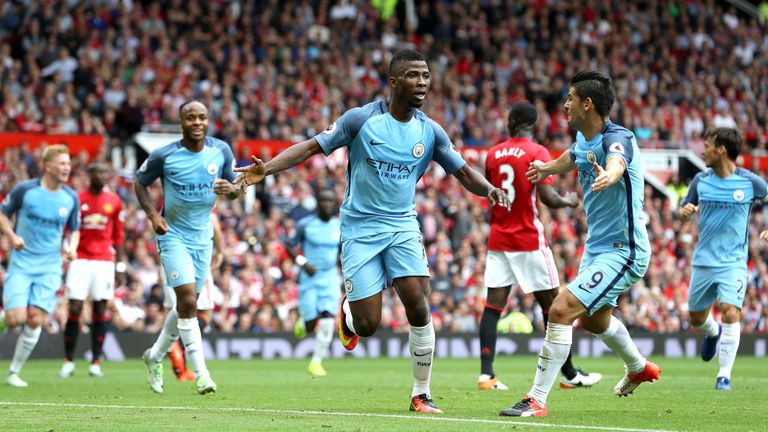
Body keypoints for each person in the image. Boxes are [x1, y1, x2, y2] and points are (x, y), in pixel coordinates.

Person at [234, 49, 510, 413]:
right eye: (414, 75)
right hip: (360, 228)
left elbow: (462, 172)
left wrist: (488, 189)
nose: (423, 82)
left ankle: (420, 394)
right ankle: (348, 313)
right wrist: (266, 169)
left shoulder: (430, 130)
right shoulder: (361, 119)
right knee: (367, 325)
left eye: (426, 76)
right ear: (394, 81)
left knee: (418, 302)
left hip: (401, 225)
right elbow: (311, 148)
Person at [502, 71, 660, 417]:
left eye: (570, 98)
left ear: (587, 103)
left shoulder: (618, 138)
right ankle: (638, 367)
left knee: (560, 309)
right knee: (593, 320)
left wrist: (612, 173)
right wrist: (546, 169)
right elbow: (573, 156)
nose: (565, 105)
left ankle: (536, 399)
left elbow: (618, 159)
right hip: (597, 248)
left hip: (624, 250)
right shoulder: (583, 136)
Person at [479, 102, 602, 391]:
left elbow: (490, 194)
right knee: (555, 306)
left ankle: (486, 375)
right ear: (533, 125)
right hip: (528, 239)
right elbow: (546, 197)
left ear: (511, 122)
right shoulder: (537, 152)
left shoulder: (493, 154)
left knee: (492, 307)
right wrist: (569, 201)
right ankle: (570, 374)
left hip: (499, 238)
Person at [135, 100, 241, 395]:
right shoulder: (165, 155)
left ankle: (154, 355)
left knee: (185, 305)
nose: (197, 122)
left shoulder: (220, 150)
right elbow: (140, 182)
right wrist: (153, 216)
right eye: (191, 118)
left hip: (202, 237)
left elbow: (235, 190)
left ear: (208, 121)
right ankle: (202, 375)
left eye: (202, 118)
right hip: (172, 234)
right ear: (181, 122)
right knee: (188, 302)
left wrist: (230, 190)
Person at [679, 127, 767, 391]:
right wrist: (684, 213)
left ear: (721, 150)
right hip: (703, 261)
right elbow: (684, 209)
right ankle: (712, 330)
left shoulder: (751, 182)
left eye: (707, 145)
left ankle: (724, 375)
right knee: (695, 317)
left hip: (734, 263)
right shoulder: (700, 181)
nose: (702, 150)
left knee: (731, 311)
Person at [0, 144, 80, 387]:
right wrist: (13, 238)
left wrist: (72, 247)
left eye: (68, 163)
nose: (67, 168)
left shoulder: (70, 197)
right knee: (15, 319)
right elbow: (2, 214)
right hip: (22, 264)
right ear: (48, 166)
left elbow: (74, 230)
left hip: (50, 267)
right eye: (62, 163)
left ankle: (13, 372)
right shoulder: (26, 190)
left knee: (35, 319)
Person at [59, 162, 126, 379]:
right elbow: (67, 230)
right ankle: (68, 360)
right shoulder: (77, 199)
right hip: (80, 259)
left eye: (106, 172)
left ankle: (96, 361)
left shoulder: (114, 201)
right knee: (76, 307)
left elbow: (119, 237)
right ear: (89, 174)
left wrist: (121, 267)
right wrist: (66, 252)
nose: (102, 175)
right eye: (98, 171)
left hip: (105, 261)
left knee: (100, 309)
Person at [288, 188, 342, 377]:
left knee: (328, 317)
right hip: (310, 278)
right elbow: (289, 245)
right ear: (317, 203)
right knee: (311, 324)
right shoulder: (305, 224)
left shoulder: (339, 225)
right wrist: (303, 263)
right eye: (324, 201)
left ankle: (316, 362)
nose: (327, 204)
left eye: (330, 201)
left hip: (330, 278)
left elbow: (343, 251)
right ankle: (304, 323)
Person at [167, 211, 223, 382]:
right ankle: (175, 344)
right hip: (196, 259)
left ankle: (181, 369)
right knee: (203, 313)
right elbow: (213, 222)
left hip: (171, 257)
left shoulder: (170, 196)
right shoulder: (202, 191)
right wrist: (219, 251)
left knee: (178, 311)